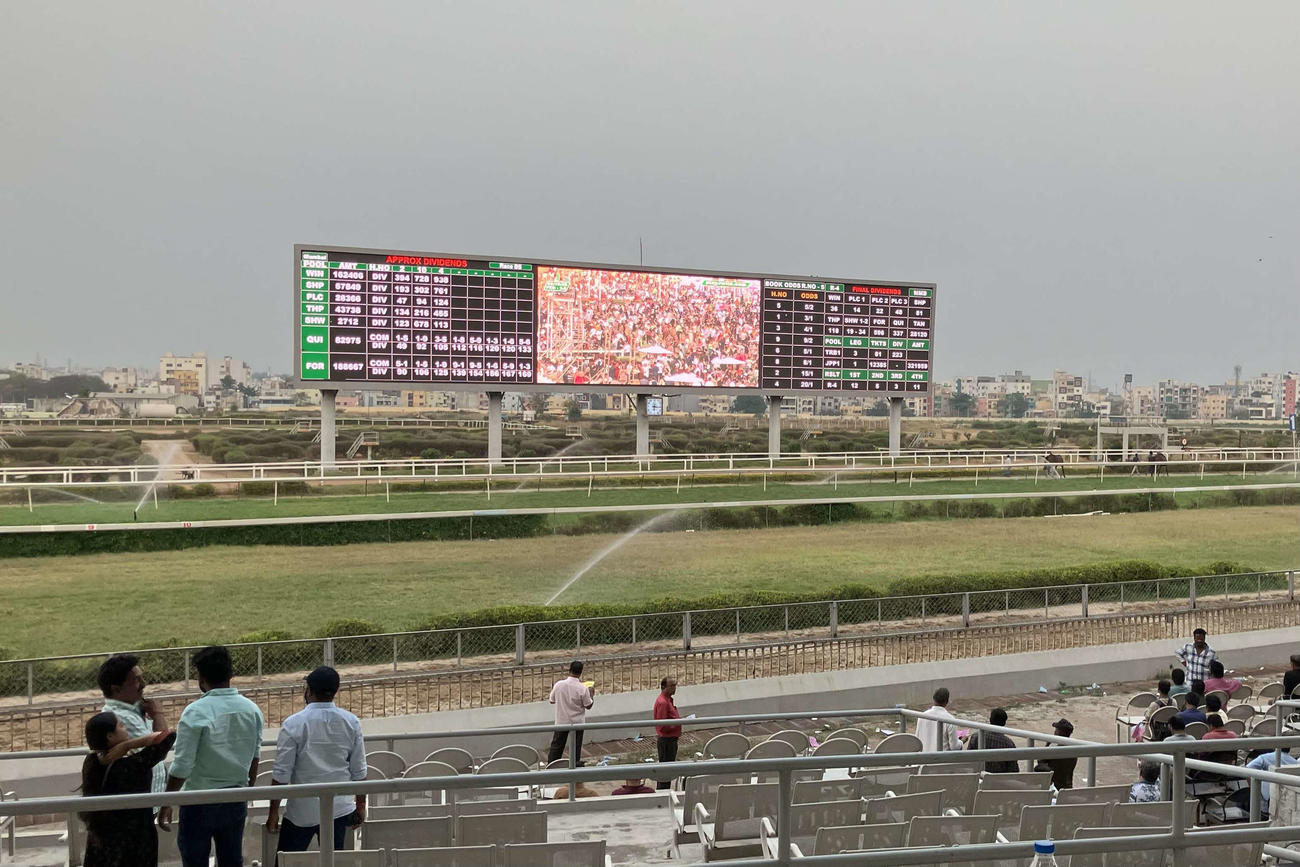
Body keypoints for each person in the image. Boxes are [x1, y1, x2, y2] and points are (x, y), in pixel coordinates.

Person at [163, 645, 265, 867]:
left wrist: (166, 801)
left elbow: (182, 765)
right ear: (230, 674)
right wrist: (246, 791)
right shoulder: (251, 709)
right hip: (234, 798)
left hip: (198, 801)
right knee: (231, 860)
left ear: (201, 678)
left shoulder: (195, 711)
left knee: (194, 860)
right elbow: (254, 757)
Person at [268, 667, 366, 859]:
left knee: (287, 861)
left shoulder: (293, 724)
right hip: (339, 809)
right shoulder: (351, 721)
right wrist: (361, 805)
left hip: (300, 811)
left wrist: (273, 812)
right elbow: (359, 770)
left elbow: (281, 774)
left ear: (309, 691)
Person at [80, 712, 176, 867]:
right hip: (136, 838)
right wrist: (128, 745)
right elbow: (168, 735)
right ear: (110, 736)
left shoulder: (91, 763)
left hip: (102, 838)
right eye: (121, 726)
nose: (125, 729)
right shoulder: (132, 766)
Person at [97, 654, 168, 806]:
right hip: (141, 803)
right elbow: (161, 746)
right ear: (116, 689)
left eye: (141, 678)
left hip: (150, 798)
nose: (143, 684)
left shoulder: (134, 710)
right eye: (136, 680)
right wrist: (158, 714)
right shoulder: (120, 717)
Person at [547, 660, 594, 765]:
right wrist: (591, 695)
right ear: (581, 672)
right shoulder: (583, 688)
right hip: (577, 722)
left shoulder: (559, 685)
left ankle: (552, 765)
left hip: (561, 720)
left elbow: (551, 700)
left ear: (570, 670)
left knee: (557, 745)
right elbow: (588, 705)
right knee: (576, 746)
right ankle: (574, 764)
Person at [961, 708, 1020, 773]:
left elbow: (968, 760)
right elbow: (1014, 770)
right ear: (1004, 723)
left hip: (978, 778)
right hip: (1000, 781)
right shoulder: (1008, 744)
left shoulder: (976, 737)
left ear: (990, 720)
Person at [1245, 749, 1300, 818]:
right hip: (1287, 805)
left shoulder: (1265, 758)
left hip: (1266, 805)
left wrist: (1254, 789)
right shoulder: (1295, 763)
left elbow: (1248, 770)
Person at [652, 677, 681, 791]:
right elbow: (662, 725)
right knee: (665, 772)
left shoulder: (667, 700)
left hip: (670, 739)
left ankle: (664, 792)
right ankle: (662, 793)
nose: (674, 688)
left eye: (675, 685)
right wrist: (677, 723)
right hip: (667, 740)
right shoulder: (663, 702)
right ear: (664, 687)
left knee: (667, 771)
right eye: (672, 686)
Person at [1033, 719, 1077, 790]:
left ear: (1059, 732)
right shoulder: (1073, 751)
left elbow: (1040, 761)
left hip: (1055, 787)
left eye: (1056, 730)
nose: (1054, 732)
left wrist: (1047, 744)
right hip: (1067, 786)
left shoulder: (1055, 751)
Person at [914, 688, 959, 753]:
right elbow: (954, 747)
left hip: (923, 759)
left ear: (933, 699)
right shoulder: (951, 720)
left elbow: (917, 739)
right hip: (942, 761)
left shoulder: (922, 716)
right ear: (947, 702)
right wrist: (961, 741)